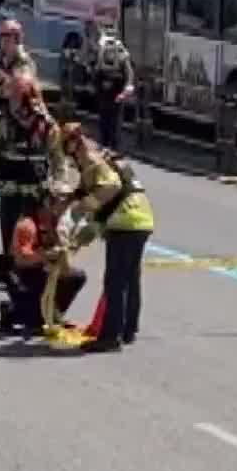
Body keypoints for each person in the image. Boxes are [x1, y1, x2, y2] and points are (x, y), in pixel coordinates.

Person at [67, 126, 155, 352]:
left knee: (114, 281)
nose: (71, 161)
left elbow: (111, 188)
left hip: (124, 221)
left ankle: (109, 337)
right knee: (130, 278)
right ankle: (128, 329)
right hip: (142, 218)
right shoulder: (107, 156)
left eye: (69, 154)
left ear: (74, 147)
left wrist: (86, 215)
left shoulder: (92, 162)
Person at [0, 72, 58, 287]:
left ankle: (34, 274)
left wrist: (60, 185)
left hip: (38, 190)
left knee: (39, 235)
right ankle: (10, 273)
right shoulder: (0, 122)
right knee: (10, 233)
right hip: (10, 188)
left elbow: (59, 156)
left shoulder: (46, 124)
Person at [1, 186, 89, 335]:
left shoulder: (57, 224)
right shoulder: (27, 226)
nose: (65, 206)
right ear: (47, 203)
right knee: (34, 320)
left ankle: (53, 314)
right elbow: (22, 259)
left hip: (45, 269)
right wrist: (46, 256)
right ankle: (12, 311)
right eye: (61, 202)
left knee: (76, 277)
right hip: (22, 273)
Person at [92, 35, 135, 151]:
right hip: (104, 99)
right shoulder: (100, 58)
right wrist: (98, 91)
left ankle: (115, 150)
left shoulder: (122, 59)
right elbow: (95, 77)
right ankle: (104, 147)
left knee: (115, 128)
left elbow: (129, 76)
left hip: (116, 99)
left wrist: (126, 91)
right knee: (103, 126)